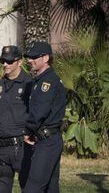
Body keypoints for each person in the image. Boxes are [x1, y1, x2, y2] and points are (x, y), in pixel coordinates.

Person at [22, 41, 67, 193]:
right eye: (29, 57)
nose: (29, 60)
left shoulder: (47, 82)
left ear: (46, 58)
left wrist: (28, 131)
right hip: (47, 139)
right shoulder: (41, 80)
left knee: (33, 188)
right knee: (50, 188)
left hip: (47, 142)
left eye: (34, 57)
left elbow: (39, 111)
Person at [0, 46, 33, 193]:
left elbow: (35, 114)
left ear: (19, 62)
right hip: (2, 148)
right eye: (3, 60)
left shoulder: (29, 84)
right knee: (1, 187)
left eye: (9, 61)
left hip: (22, 146)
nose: (5, 64)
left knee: (29, 187)